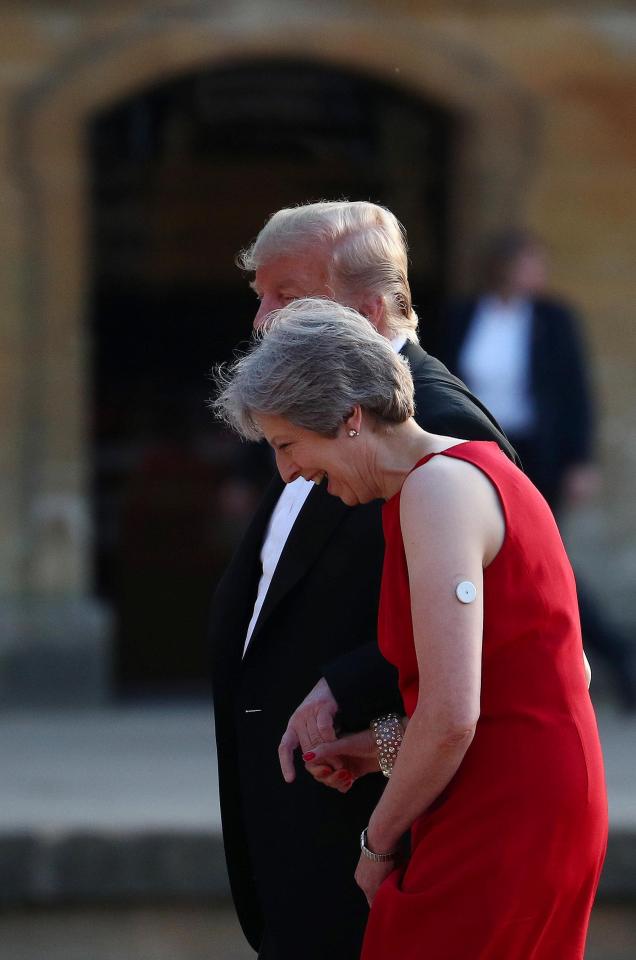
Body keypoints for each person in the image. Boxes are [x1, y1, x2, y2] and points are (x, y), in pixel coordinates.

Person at [213, 297, 608, 960]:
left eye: (287, 445)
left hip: (506, 819)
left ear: (349, 419)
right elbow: (536, 678)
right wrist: (381, 747)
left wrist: (377, 841)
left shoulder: (435, 492)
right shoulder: (455, 478)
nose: (287, 474)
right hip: (533, 803)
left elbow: (455, 716)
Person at [209, 200, 518, 959]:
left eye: (285, 295)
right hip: (312, 805)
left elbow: (487, 630)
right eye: (260, 296)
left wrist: (345, 690)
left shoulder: (448, 428)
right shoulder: (325, 400)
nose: (261, 320)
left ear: (367, 308)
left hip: (371, 817)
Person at [441, 229, 636, 709]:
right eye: (530, 264)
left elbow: (575, 393)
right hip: (479, 448)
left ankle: (612, 655)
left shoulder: (553, 319)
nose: (539, 274)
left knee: (540, 563)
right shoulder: (466, 314)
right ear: (504, 266)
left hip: (537, 455)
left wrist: (580, 460)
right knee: (501, 564)